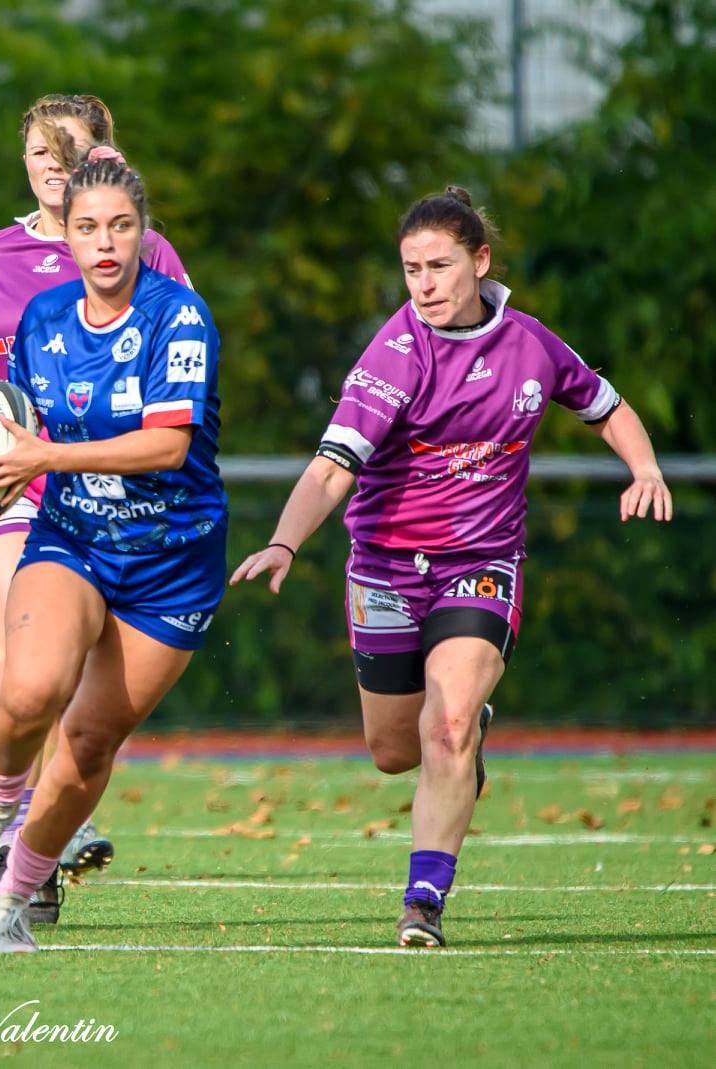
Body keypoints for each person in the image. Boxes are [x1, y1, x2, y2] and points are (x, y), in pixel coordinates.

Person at [228, 186, 673, 948]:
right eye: (412, 269)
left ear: (481, 261)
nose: (425, 285)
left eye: (439, 266)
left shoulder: (531, 344)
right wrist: (284, 541)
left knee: (448, 724)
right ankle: (467, 739)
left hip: (482, 560)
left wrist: (647, 468)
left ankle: (424, 901)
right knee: (395, 750)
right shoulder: (395, 353)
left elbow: (606, 405)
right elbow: (332, 468)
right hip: (385, 567)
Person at [0, 153, 226, 953]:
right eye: (88, 227)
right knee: (28, 688)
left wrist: (44, 457)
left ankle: (16, 894)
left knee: (90, 741)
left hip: (172, 561)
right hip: (74, 535)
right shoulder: (43, 318)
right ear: (65, 236)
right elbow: (19, 421)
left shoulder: (180, 316)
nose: (104, 242)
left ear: (143, 234)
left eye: (121, 226)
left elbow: (167, 446)